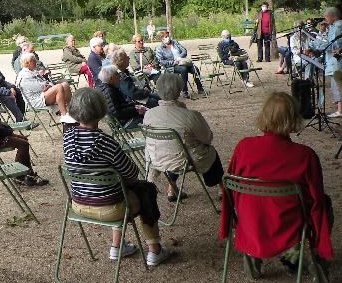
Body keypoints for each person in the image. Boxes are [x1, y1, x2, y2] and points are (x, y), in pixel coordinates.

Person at [220, 92, 333, 283]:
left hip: (250, 221)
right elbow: (316, 200)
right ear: (294, 119)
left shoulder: (244, 147)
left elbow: (229, 187)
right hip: (289, 225)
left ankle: (253, 252)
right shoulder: (305, 155)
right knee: (326, 203)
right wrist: (318, 240)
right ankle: (307, 257)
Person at [63, 88, 171, 266]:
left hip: (79, 204)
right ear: (100, 110)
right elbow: (131, 172)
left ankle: (117, 246)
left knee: (118, 189)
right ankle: (155, 250)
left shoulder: (67, 138)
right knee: (146, 189)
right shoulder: (105, 142)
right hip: (111, 208)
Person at [143, 73, 223, 200]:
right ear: (179, 90)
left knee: (172, 149)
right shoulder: (191, 116)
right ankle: (222, 189)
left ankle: (172, 187)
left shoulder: (149, 114)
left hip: (158, 158)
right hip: (184, 160)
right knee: (209, 151)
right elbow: (207, 138)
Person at [309, 6, 342, 118]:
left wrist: (318, 47)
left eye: (326, 16)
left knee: (337, 84)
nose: (325, 19)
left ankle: (341, 110)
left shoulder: (339, 27)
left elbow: (333, 45)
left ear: (333, 16)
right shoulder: (335, 26)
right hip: (334, 59)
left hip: (337, 60)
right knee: (336, 84)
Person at [15, 52, 72, 117]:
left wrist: (47, 86)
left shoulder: (32, 71)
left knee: (65, 85)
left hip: (42, 94)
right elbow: (41, 87)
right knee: (58, 87)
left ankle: (72, 109)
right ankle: (64, 114)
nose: (35, 62)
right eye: (33, 60)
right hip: (35, 100)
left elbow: (45, 83)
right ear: (27, 63)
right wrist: (47, 86)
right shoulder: (24, 76)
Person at [154, 30, 205, 97]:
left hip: (182, 61)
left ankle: (200, 88)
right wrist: (173, 62)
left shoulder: (175, 42)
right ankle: (184, 91)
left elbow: (184, 51)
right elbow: (161, 61)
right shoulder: (159, 48)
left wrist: (178, 58)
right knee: (183, 69)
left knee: (195, 68)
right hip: (172, 66)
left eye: (167, 36)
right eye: (165, 37)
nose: (167, 38)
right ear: (161, 39)